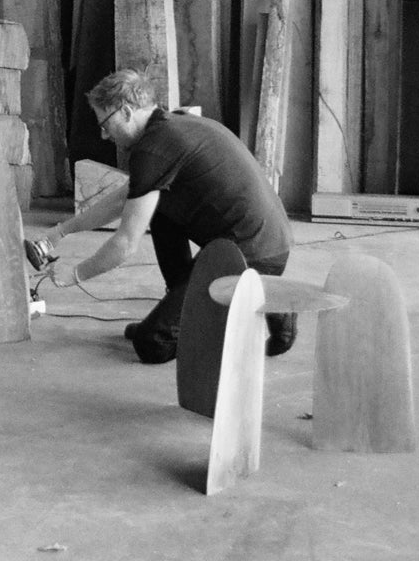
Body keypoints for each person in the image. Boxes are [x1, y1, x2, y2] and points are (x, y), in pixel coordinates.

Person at [29, 68, 296, 365]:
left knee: (153, 343)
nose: (104, 134)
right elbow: (125, 199)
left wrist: (75, 275)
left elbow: (125, 244)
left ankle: (268, 304)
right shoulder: (171, 126)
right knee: (158, 209)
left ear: (126, 112)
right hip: (259, 240)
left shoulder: (153, 149)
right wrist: (62, 231)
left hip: (255, 254)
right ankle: (180, 307)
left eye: (105, 124)